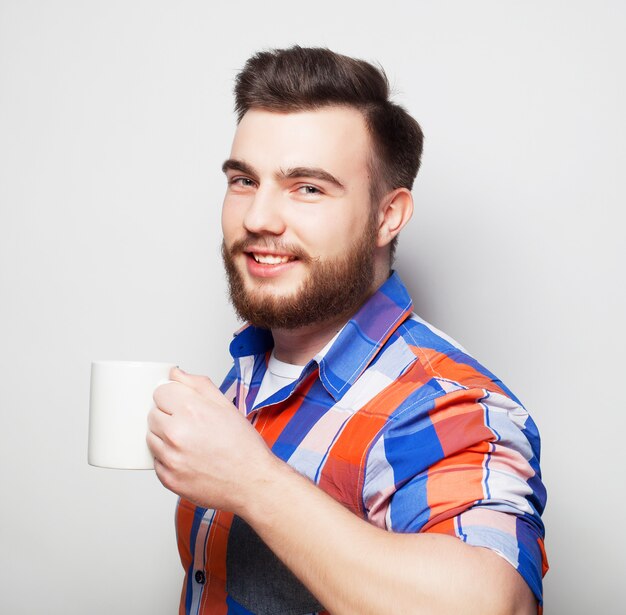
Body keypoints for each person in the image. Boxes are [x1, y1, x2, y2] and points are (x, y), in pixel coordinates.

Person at [147, 46, 548, 615]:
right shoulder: (247, 376)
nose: (258, 217)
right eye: (243, 180)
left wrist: (253, 481)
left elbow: (488, 606)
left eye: (308, 187)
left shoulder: (446, 403)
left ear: (388, 215)